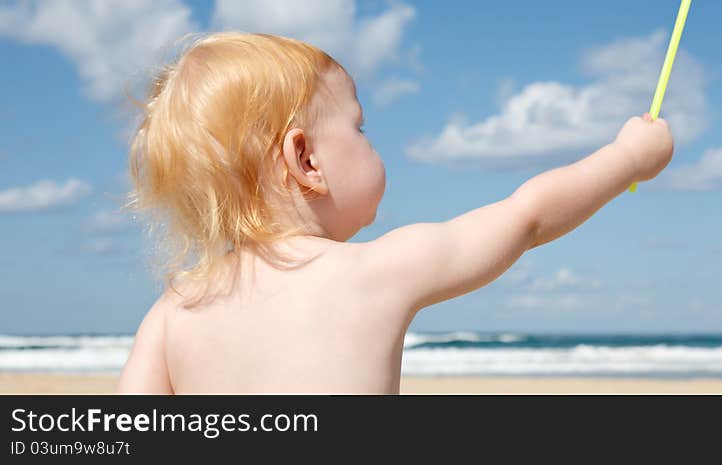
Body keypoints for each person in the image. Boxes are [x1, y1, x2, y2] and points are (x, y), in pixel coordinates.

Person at [116, 31, 673, 393]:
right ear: (305, 159)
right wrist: (626, 159)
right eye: (359, 127)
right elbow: (525, 218)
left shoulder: (174, 311)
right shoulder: (373, 272)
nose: (370, 140)